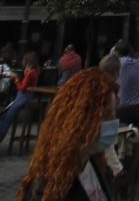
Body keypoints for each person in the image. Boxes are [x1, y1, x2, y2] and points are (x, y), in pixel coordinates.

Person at [18, 69, 121, 201]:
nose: (113, 122)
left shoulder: (93, 163)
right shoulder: (47, 183)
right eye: (106, 115)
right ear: (79, 120)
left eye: (114, 114)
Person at [0, 52, 41, 159]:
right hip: (24, 98)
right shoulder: (34, 72)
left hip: (23, 98)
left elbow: (22, 88)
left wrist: (16, 79)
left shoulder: (31, 73)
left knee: (7, 116)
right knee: (4, 114)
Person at [113, 41, 139, 124]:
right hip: (137, 109)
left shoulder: (115, 64)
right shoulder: (138, 63)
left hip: (119, 109)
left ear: (117, 52)